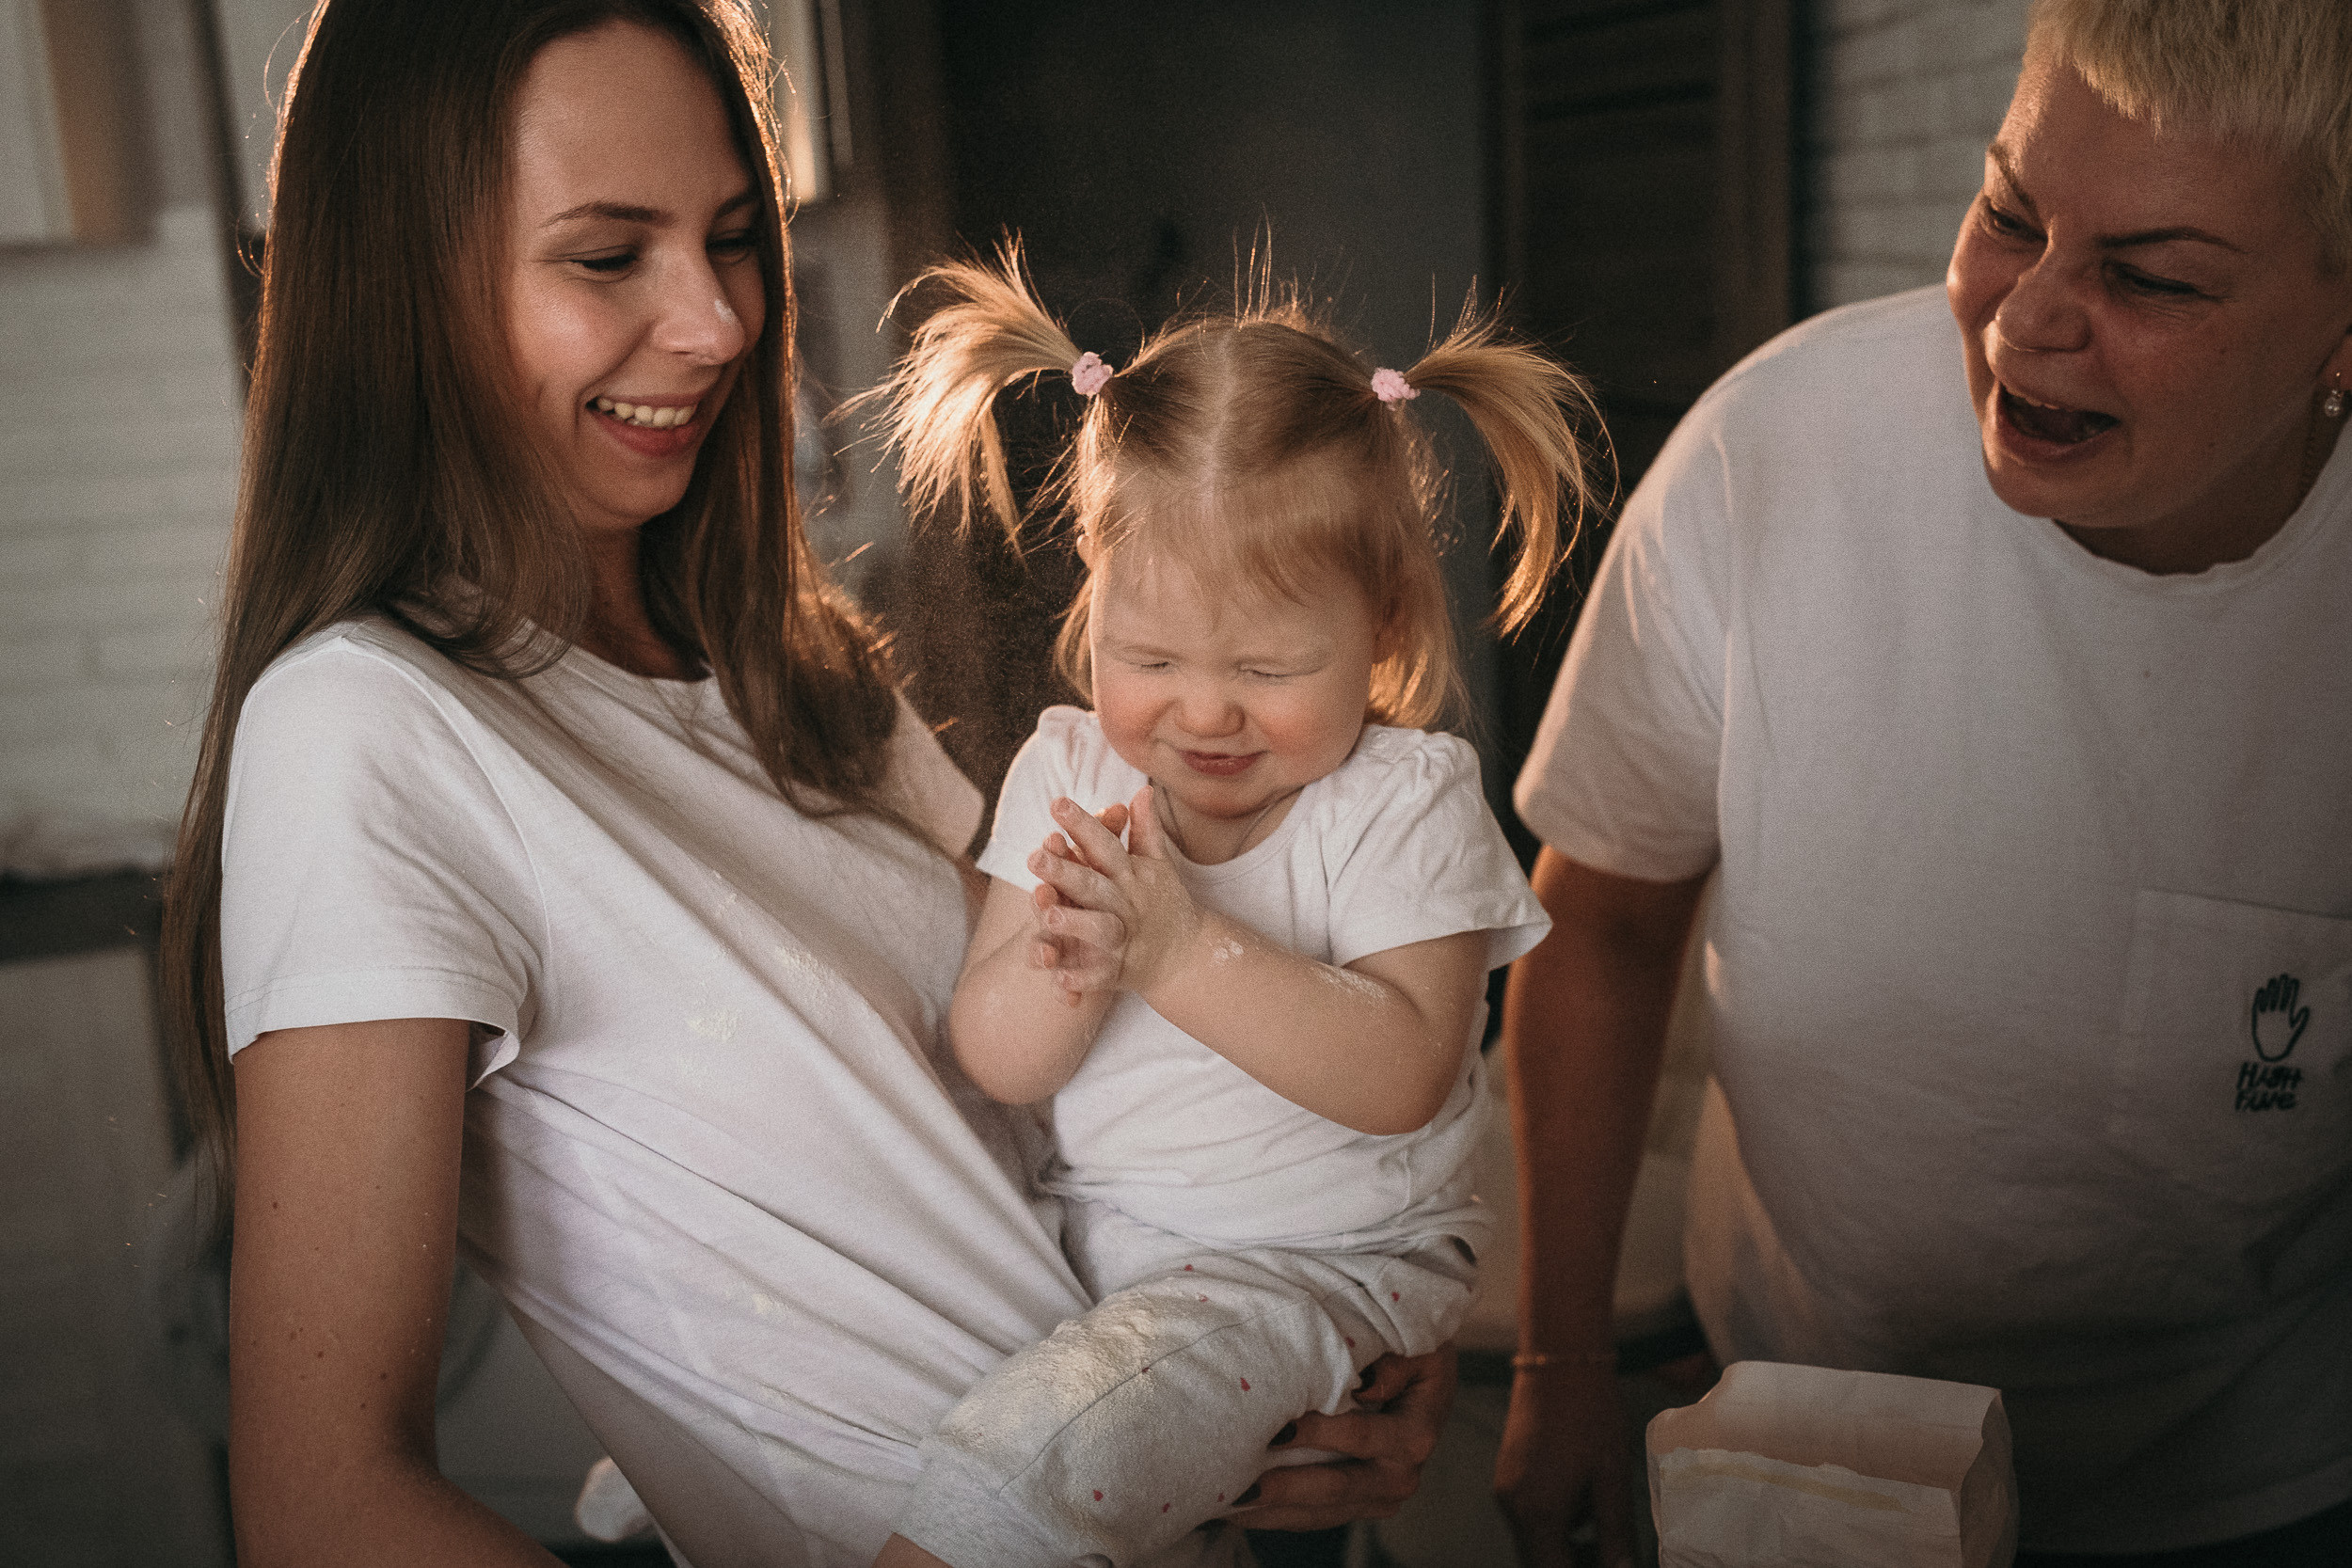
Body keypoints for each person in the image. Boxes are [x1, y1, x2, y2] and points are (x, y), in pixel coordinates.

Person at [158, 5, 1458, 1565]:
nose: (717, 323)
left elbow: (1031, 1139)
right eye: (605, 255)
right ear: (405, 293)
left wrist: (1329, 1355)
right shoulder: (368, 728)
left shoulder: (796, 675)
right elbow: (325, 1511)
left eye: (728, 237)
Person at [1493, 0, 2352, 1562]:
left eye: (2151, 276)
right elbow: (1605, 923)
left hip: (2250, 1479)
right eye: (2008, 214)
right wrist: (1559, 1372)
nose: (2023, 322)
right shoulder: (1775, 452)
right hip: (1799, 1429)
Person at [856, 255, 1606, 1567]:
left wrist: (1176, 946)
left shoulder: (1401, 803)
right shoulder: (1071, 775)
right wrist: (1067, 966)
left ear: (1377, 625)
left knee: (1038, 1468)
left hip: (1315, 1269)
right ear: (1095, 580)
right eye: (1150, 659)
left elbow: (1406, 1072)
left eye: (1267, 667)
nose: (1204, 712)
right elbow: (994, 1053)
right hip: (1105, 1253)